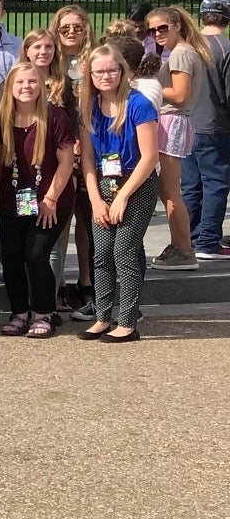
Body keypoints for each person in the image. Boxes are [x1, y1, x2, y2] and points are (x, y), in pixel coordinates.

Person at [80, 44, 160, 343]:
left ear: (122, 71)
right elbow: (87, 158)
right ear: (90, 74)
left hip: (135, 182)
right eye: (99, 71)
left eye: (112, 70)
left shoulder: (139, 104)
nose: (106, 76)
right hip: (104, 181)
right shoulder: (89, 106)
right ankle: (102, 316)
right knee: (100, 253)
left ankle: (126, 321)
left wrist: (124, 196)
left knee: (124, 251)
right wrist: (95, 199)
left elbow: (150, 157)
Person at [0, 61, 77, 339]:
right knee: (11, 256)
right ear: (10, 87)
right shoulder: (0, 117)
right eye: (20, 83)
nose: (26, 87)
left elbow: (66, 163)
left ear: (41, 85)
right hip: (13, 197)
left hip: (50, 198)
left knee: (36, 254)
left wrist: (50, 199)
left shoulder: (56, 117)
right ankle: (19, 312)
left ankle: (43, 312)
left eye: (32, 82)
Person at [144, 6, 202, 270]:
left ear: (177, 25)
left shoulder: (181, 53)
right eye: (152, 30)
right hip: (173, 120)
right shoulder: (178, 52)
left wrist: (148, 87)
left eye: (162, 28)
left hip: (173, 119)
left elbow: (180, 94)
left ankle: (184, 248)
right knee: (166, 189)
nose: (157, 34)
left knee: (169, 190)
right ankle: (179, 244)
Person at [186, 0, 230, 259]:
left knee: (191, 184)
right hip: (215, 124)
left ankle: (190, 236)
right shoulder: (224, 48)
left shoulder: (188, 46)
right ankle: (208, 240)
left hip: (188, 122)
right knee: (216, 182)